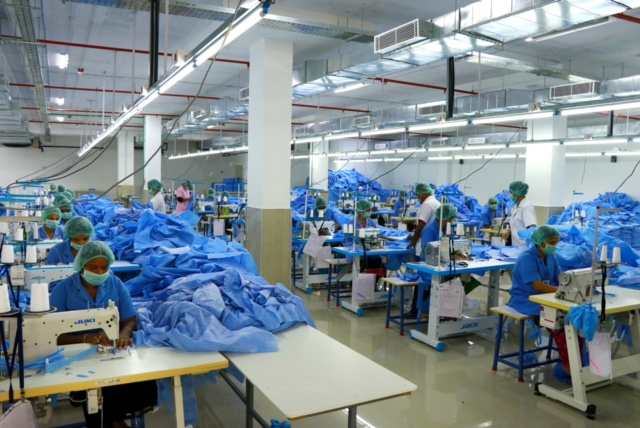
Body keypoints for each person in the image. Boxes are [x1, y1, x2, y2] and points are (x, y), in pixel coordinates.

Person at [50, 241, 157, 428]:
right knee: (96, 388)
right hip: (76, 354)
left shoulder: (115, 284)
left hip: (110, 348)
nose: (99, 272)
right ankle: (113, 422)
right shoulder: (63, 289)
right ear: (81, 265)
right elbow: (52, 333)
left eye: (104, 267)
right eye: (93, 268)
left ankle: (116, 420)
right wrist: (84, 338)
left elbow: (130, 318)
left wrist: (124, 332)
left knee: (140, 378)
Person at [506, 225, 577, 374]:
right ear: (540, 241)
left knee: (571, 315)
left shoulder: (551, 257)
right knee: (559, 319)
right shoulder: (527, 258)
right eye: (552, 243)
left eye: (556, 243)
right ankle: (568, 363)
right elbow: (537, 285)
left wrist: (573, 286)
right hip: (525, 298)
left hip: (544, 296)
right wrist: (563, 291)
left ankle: (573, 359)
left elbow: (560, 277)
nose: (554, 246)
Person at [407, 204, 468, 317]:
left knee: (462, 278)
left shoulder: (446, 229)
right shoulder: (429, 229)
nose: (452, 220)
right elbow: (428, 251)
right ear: (444, 217)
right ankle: (421, 310)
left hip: (442, 264)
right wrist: (448, 257)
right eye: (451, 218)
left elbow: (449, 245)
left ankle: (449, 309)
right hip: (428, 265)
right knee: (433, 280)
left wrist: (456, 252)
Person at [408, 183, 441, 251]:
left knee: (426, 254)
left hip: (426, 240)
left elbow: (421, 226)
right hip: (434, 239)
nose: (418, 197)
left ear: (422, 193)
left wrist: (413, 242)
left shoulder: (427, 204)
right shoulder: (436, 203)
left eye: (418, 194)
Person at [506, 181, 537, 248]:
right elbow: (517, 225)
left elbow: (531, 228)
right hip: (516, 244)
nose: (510, 195)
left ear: (517, 193)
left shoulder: (526, 206)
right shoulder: (516, 206)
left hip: (524, 245)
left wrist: (529, 245)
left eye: (511, 192)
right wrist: (509, 232)